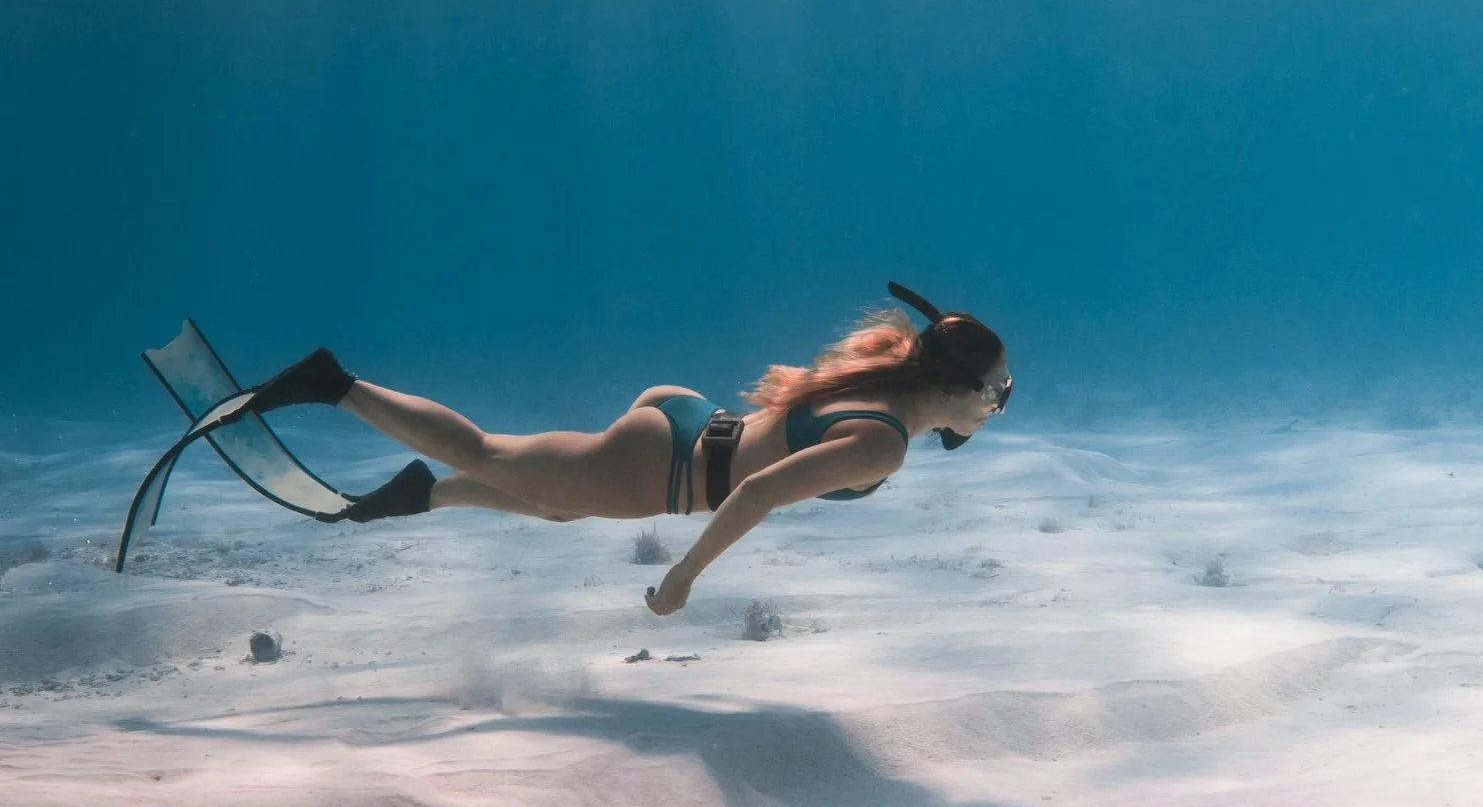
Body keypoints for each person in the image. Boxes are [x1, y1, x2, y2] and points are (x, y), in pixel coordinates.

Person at [233, 283, 1009, 616]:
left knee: (555, 506)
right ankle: (332, 383)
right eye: (998, 394)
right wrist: (681, 578)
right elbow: (758, 492)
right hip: (666, 469)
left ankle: (416, 495)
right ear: (960, 391)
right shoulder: (882, 444)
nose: (998, 408)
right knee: (484, 450)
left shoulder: (882, 385)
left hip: (684, 421)